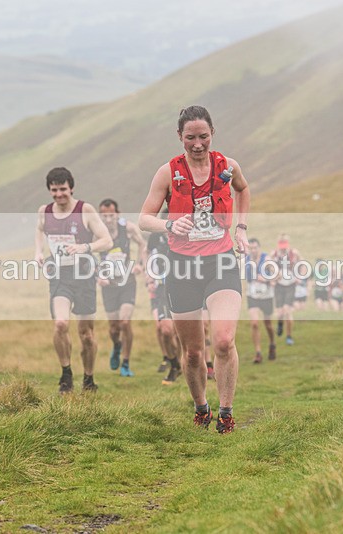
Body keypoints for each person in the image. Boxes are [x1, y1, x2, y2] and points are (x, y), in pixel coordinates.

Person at [138, 105, 250, 434]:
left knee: (224, 340)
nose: (197, 144)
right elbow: (144, 219)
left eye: (203, 136)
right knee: (192, 352)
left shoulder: (227, 166)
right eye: (190, 138)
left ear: (212, 133)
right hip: (182, 267)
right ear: (179, 137)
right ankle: (201, 406)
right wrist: (169, 225)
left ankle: (226, 412)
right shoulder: (167, 173)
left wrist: (241, 229)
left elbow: (242, 190)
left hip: (221, 261)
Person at [34, 167, 112, 394]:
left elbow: (106, 240)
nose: (59, 195)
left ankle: (88, 379)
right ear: (50, 190)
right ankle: (66, 375)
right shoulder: (45, 211)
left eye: (63, 190)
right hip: (59, 276)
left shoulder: (84, 210)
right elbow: (39, 231)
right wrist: (39, 252)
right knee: (60, 323)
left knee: (86, 334)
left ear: (72, 188)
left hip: (84, 276)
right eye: (54, 190)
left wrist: (84, 247)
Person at [98, 199, 146, 378]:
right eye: (104, 215)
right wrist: (98, 275)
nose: (108, 219)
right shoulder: (97, 231)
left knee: (125, 322)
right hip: (108, 285)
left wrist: (140, 264)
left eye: (111, 215)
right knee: (114, 327)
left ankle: (126, 362)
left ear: (117, 213)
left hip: (127, 281)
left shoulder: (128, 228)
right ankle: (117, 345)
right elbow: (86, 253)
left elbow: (142, 244)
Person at [145, 216, 183, 385]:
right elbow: (149, 255)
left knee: (184, 332)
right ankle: (174, 364)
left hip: (186, 287)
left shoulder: (187, 232)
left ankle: (185, 363)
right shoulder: (155, 237)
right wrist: (150, 277)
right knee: (165, 330)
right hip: (163, 289)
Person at [245, 238, 276, 363]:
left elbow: (277, 275)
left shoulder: (267, 259)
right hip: (252, 295)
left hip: (266, 296)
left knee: (267, 324)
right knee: (255, 323)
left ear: (259, 248)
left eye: (255, 248)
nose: (253, 250)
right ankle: (258, 352)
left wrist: (267, 279)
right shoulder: (246, 260)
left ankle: (272, 343)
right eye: (250, 248)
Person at [272, 235, 298, 346]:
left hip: (290, 285)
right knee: (279, 313)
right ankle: (280, 324)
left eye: (285, 246)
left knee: (287, 310)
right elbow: (269, 266)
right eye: (281, 246)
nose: (283, 249)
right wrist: (275, 275)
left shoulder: (294, 254)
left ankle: (289, 336)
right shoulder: (274, 255)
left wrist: (299, 276)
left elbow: (301, 265)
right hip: (279, 286)